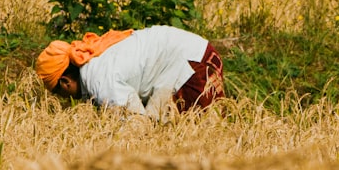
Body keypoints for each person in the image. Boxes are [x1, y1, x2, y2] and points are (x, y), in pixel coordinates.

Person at [35, 25, 225, 120]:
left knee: (196, 143)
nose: (65, 99)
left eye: (59, 94)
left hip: (191, 66)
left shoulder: (98, 79)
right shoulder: (95, 61)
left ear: (65, 82)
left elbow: (136, 121)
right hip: (191, 57)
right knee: (163, 129)